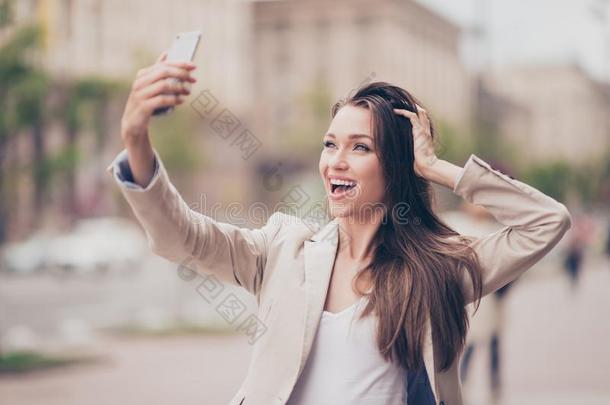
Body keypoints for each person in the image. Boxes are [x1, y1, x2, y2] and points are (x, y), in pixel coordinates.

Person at [106, 53, 572, 405]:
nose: (336, 162)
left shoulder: (437, 269)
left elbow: (546, 223)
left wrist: (436, 167)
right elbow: (181, 239)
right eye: (330, 144)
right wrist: (136, 141)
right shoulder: (283, 249)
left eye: (360, 147)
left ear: (395, 165)